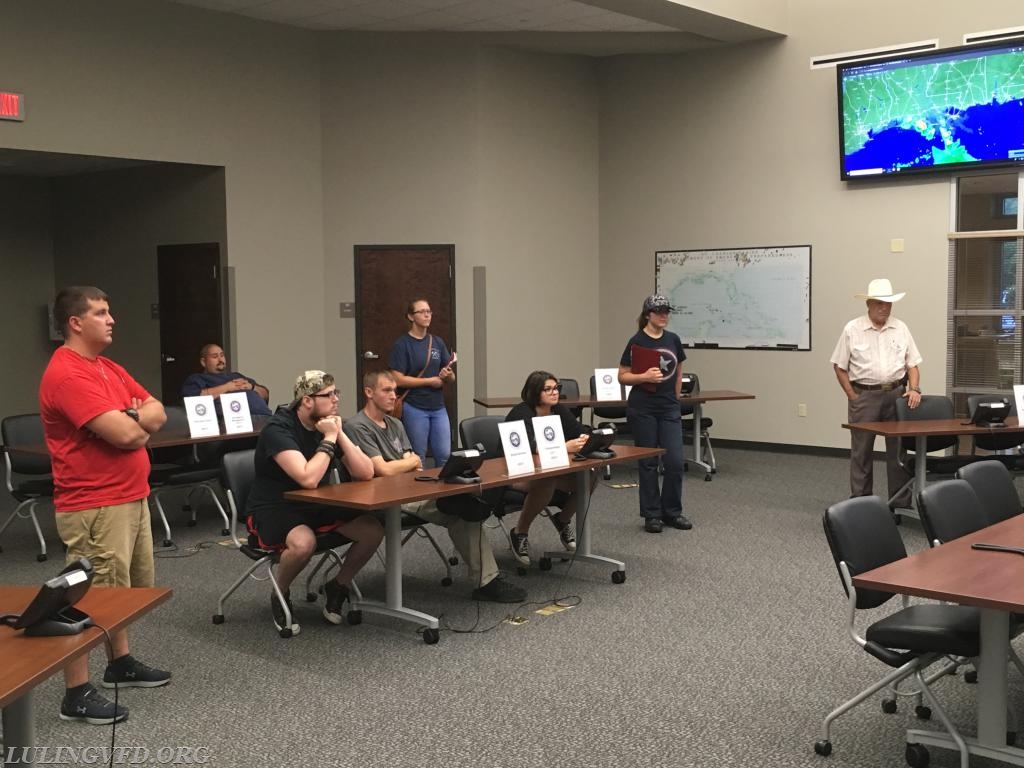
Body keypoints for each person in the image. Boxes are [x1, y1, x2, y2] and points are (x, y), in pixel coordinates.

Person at [39, 286, 171, 725]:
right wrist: (133, 420)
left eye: (110, 310)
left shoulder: (108, 368)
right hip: (94, 505)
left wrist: (131, 417)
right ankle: (75, 692)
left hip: (130, 496)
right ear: (75, 323)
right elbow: (131, 434)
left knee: (124, 593)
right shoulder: (68, 374)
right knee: (87, 598)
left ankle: (120, 662)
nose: (111, 319)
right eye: (100, 312)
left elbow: (157, 411)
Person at [343, 370, 526, 603]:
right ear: (368, 392)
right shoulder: (357, 427)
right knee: (459, 508)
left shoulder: (395, 423)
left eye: (395, 390)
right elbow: (384, 470)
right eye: (386, 390)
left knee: (463, 509)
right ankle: (487, 580)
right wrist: (407, 463)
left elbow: (415, 462)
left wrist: (406, 464)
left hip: (410, 487)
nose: (393, 396)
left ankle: (487, 581)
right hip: (382, 496)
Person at [246, 371, 383, 635]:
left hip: (314, 502)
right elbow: (307, 477)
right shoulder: (279, 428)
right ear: (307, 401)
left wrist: (339, 433)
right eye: (328, 395)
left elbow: (365, 472)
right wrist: (330, 438)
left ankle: (338, 585)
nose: (335, 400)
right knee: (303, 543)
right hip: (274, 506)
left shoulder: (327, 425)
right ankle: (280, 591)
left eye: (336, 393)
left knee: (372, 529)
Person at [830, 278, 922, 509]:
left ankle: (900, 504)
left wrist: (914, 389)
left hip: (896, 395)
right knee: (861, 453)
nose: (884, 307)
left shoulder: (901, 328)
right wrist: (852, 395)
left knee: (898, 452)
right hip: (865, 396)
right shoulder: (852, 329)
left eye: (888, 303)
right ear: (869, 304)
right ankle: (862, 505)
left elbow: (913, 364)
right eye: (879, 303)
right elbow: (839, 366)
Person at [503, 370, 594, 566]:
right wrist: (564, 447)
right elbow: (524, 447)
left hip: (548, 468)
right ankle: (520, 532)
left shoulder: (557, 410)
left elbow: (579, 430)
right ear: (535, 392)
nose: (555, 393)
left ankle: (562, 519)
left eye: (556, 388)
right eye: (548, 389)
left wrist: (586, 436)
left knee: (591, 476)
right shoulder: (521, 413)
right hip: (514, 472)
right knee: (547, 480)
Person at [618, 294, 690, 534]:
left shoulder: (673, 339)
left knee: (674, 461)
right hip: (643, 407)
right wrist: (644, 378)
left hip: (668, 407)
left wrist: (676, 397)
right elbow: (622, 375)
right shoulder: (637, 341)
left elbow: (679, 371)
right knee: (648, 462)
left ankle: (672, 511)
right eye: (659, 311)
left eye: (667, 311)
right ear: (648, 314)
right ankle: (652, 514)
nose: (664, 315)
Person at [387, 299, 455, 467]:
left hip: (438, 406)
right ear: (411, 316)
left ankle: (444, 493)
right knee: (418, 456)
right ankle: (424, 493)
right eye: (422, 311)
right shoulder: (402, 344)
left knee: (445, 454)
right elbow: (397, 378)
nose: (427, 315)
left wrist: (447, 375)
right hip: (414, 406)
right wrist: (428, 381)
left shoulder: (437, 342)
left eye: (429, 311)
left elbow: (451, 378)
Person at [181, 343, 272, 417]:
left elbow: (265, 394)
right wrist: (227, 387)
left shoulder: (236, 375)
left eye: (222, 355)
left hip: (265, 416)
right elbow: (193, 401)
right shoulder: (197, 378)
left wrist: (252, 387)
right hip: (234, 422)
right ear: (203, 362)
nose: (220, 359)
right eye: (215, 356)